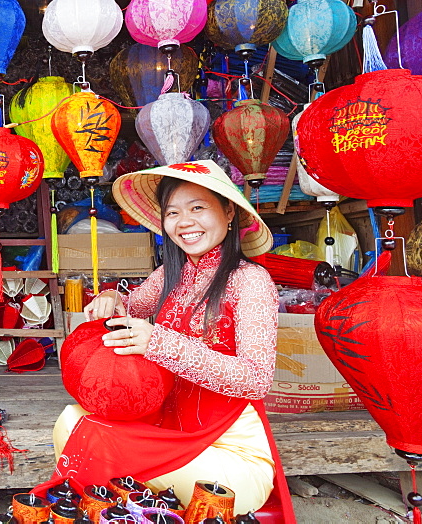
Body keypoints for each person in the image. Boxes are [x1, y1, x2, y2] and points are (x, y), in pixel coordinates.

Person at [52, 160, 293, 518]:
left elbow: (255, 379)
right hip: (167, 426)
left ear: (228, 212)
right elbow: (135, 301)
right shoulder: (173, 271)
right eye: (173, 212)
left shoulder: (250, 281)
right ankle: (139, 504)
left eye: (198, 208)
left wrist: (160, 344)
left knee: (100, 443)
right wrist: (113, 300)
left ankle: (128, 504)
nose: (184, 222)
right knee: (72, 422)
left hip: (227, 449)